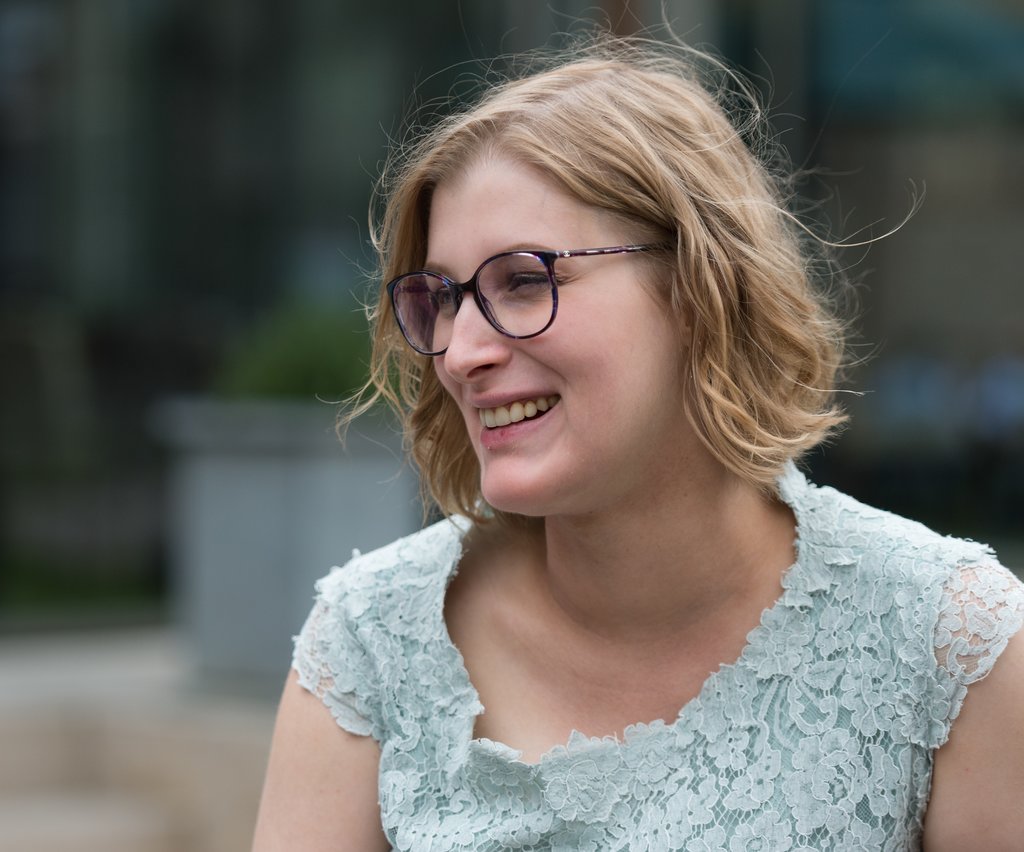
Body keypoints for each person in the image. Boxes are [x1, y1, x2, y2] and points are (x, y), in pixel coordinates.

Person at [252, 33, 1024, 851]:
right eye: (442, 299)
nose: (462, 352)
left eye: (524, 281)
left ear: (698, 286)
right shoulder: (371, 642)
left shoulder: (946, 645)